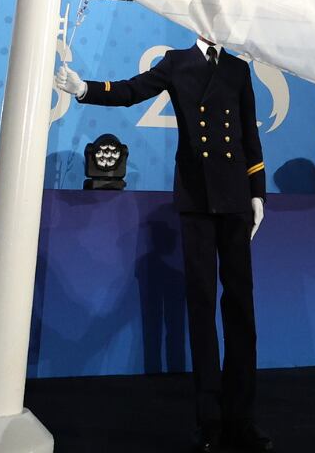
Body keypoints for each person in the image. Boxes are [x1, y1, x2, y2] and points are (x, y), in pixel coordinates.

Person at [54, 38, 272, 453]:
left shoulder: (239, 69)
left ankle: (242, 418)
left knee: (241, 306)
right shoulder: (177, 62)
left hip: (236, 199)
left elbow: (249, 133)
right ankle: (210, 420)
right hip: (196, 196)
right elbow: (133, 90)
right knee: (202, 306)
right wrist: (85, 89)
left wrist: (258, 192)